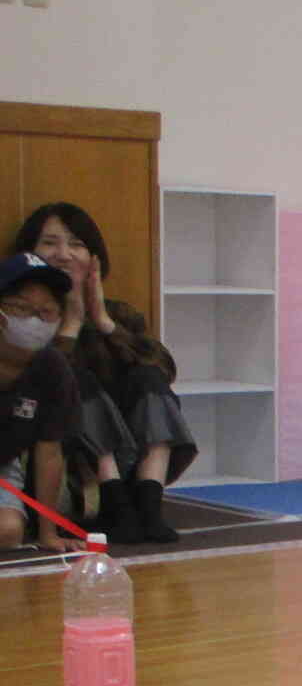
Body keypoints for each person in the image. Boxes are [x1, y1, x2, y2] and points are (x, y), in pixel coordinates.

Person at [14, 202, 193, 543]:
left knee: (148, 378)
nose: (63, 254)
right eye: (49, 243)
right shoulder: (20, 312)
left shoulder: (118, 312)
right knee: (73, 380)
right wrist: (70, 326)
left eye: (76, 244)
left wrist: (104, 323)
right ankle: (117, 505)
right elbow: (30, 385)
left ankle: (149, 507)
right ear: (30, 253)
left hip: (128, 452)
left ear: (94, 258)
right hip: (61, 459)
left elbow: (165, 369)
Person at [0, 254, 83, 552]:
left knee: (8, 533)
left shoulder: (53, 369)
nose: (34, 319)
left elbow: (49, 452)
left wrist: (48, 532)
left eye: (46, 311)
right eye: (21, 308)